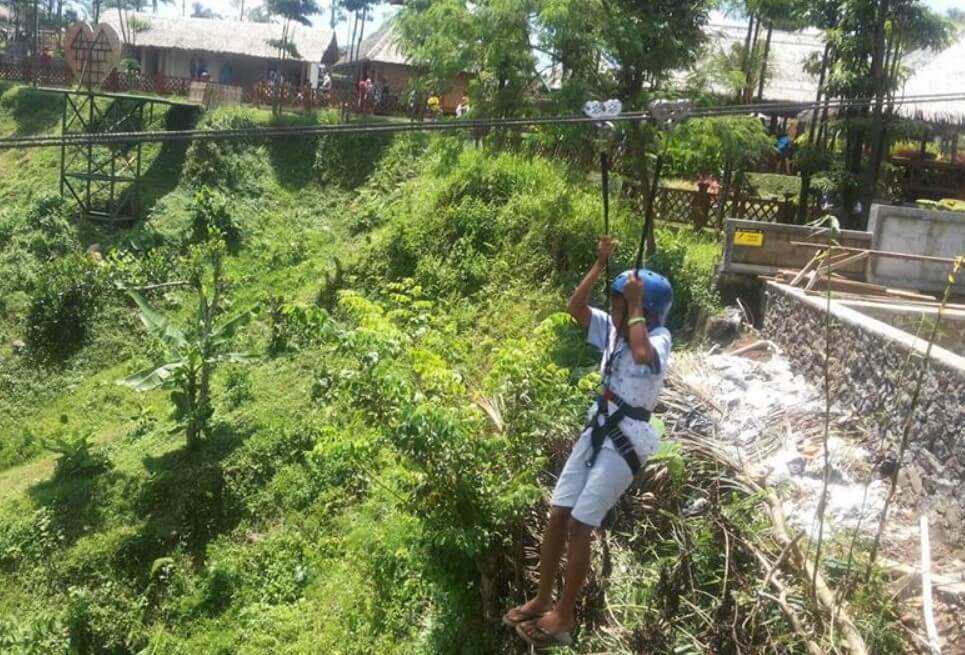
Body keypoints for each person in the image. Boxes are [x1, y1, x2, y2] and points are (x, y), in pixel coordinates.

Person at [504, 236, 674, 649]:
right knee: (558, 513)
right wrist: (600, 265)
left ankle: (564, 616)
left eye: (620, 305)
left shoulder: (659, 338)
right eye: (616, 304)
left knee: (582, 526)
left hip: (627, 442)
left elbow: (639, 354)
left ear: (643, 311)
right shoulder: (615, 331)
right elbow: (575, 309)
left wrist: (632, 308)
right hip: (597, 429)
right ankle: (543, 597)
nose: (612, 310)